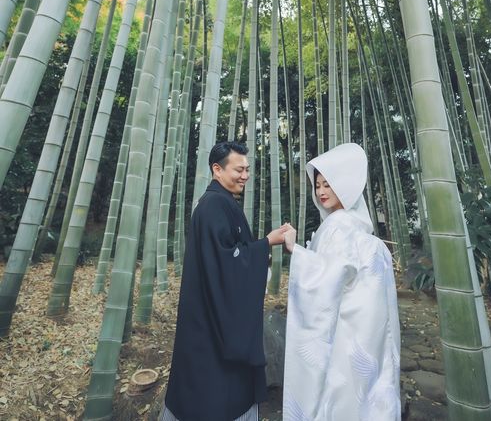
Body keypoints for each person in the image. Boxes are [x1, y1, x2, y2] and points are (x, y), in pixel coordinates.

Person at [162, 141, 291, 421]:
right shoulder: (214, 205)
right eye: (239, 170)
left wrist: (262, 245)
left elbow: (228, 256)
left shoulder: (219, 202)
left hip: (208, 309)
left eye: (247, 169)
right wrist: (267, 243)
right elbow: (226, 262)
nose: (245, 175)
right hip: (212, 318)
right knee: (216, 387)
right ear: (217, 169)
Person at [282, 142, 401, 420]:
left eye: (328, 184)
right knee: (366, 393)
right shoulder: (357, 226)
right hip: (367, 333)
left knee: (339, 393)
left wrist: (295, 250)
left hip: (346, 331)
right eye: (317, 185)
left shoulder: (338, 227)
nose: (321, 191)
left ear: (344, 185)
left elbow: (327, 278)